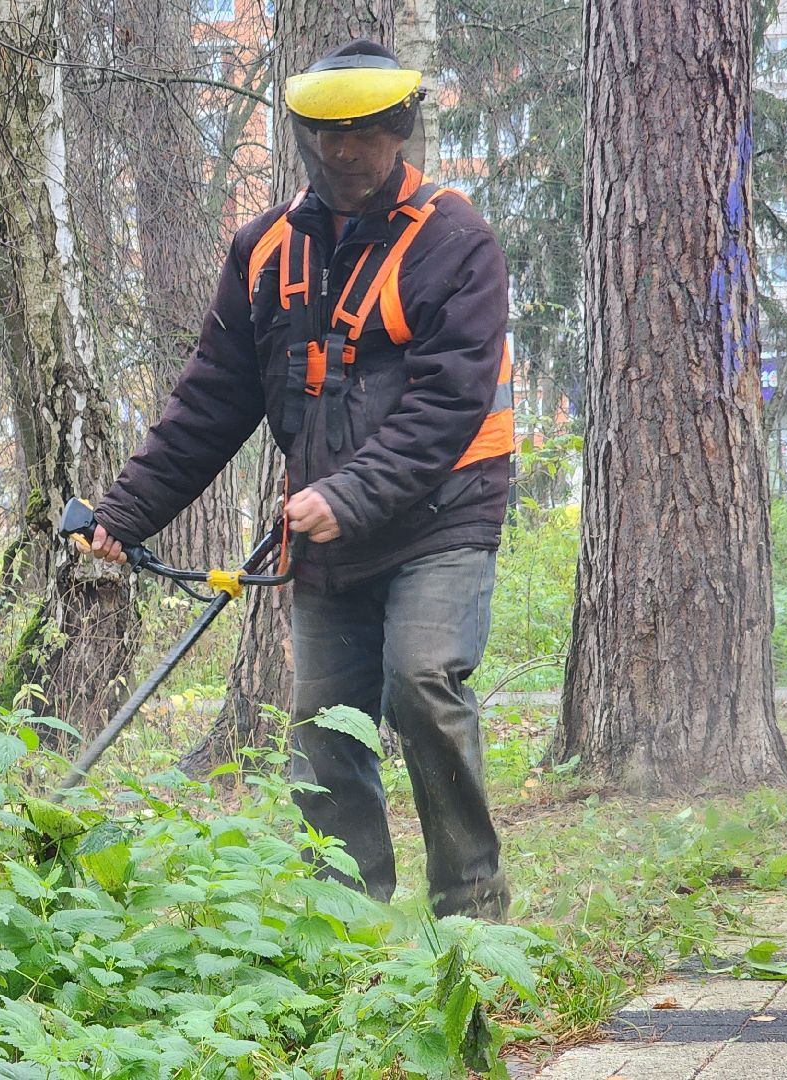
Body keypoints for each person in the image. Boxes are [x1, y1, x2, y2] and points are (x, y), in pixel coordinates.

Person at [82, 40, 515, 918]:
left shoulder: (455, 240)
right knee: (322, 733)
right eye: (324, 134)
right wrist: (125, 515)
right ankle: (345, 924)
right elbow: (210, 403)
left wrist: (345, 495)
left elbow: (447, 404)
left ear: (399, 129)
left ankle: (473, 917)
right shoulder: (264, 251)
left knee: (422, 684)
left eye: (361, 134)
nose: (341, 152)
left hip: (442, 517)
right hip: (327, 537)